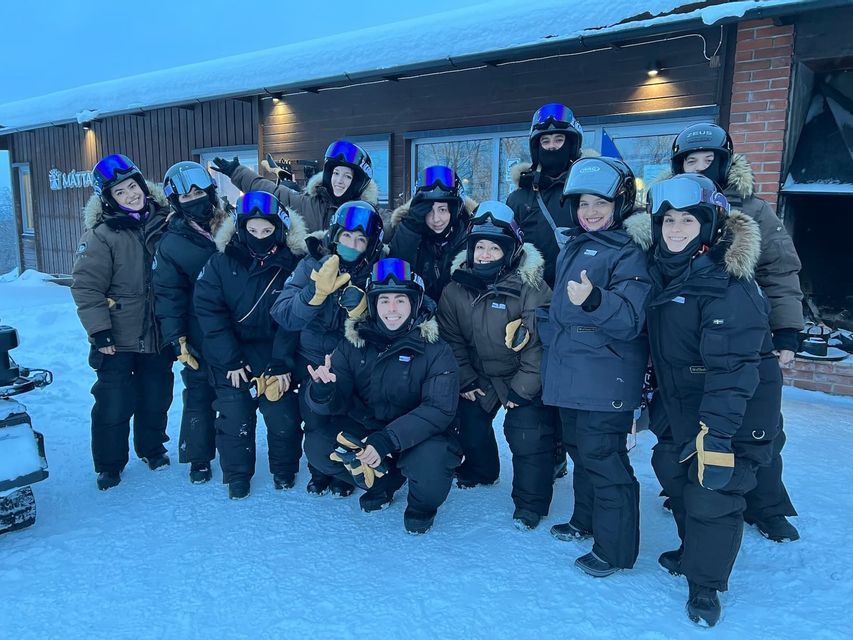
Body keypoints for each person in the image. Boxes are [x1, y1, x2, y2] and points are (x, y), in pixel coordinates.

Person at [645, 173, 783, 627]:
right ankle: (693, 551)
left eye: (688, 220)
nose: (676, 229)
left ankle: (705, 585)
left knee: (714, 491)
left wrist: (719, 436)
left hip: (736, 409)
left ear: (708, 226)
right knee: (671, 468)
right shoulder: (666, 270)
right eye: (668, 220)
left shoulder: (727, 282)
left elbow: (732, 370)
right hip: (684, 403)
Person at [667, 122, 803, 542]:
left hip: (747, 334)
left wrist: (787, 330)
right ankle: (696, 487)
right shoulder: (669, 208)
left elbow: (779, 271)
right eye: (691, 161)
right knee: (693, 418)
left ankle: (767, 505)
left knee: (760, 427)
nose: (700, 167)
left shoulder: (753, 210)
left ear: (725, 162)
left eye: (709, 160)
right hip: (689, 335)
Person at [538, 157, 651, 577]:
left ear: (620, 204)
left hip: (606, 377)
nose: (591, 212)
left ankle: (614, 550)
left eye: (600, 203)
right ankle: (584, 520)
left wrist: (595, 300)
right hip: (572, 373)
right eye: (584, 203)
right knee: (580, 452)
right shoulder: (578, 243)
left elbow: (631, 319)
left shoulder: (628, 251)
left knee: (605, 460)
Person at [303, 258, 461, 534]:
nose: (392, 309)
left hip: (416, 436)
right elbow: (337, 401)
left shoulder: (436, 350)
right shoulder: (354, 342)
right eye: (384, 300)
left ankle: (421, 505)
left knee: (432, 462)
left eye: (400, 300)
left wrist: (387, 440)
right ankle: (382, 483)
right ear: (373, 305)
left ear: (415, 304)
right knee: (318, 445)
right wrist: (323, 390)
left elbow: (438, 409)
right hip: (369, 428)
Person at [437, 201, 554, 530]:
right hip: (480, 373)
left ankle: (531, 503)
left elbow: (538, 345)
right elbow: (451, 339)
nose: (485, 255)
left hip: (521, 373)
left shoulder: (532, 287)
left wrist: (523, 389)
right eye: (480, 247)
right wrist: (465, 379)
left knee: (527, 433)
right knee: (468, 420)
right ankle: (482, 469)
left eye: (494, 248)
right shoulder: (455, 289)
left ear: (511, 251)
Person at [193, 191, 307, 499]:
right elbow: (209, 312)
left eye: (266, 230)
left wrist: (281, 363)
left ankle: (284, 469)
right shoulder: (220, 263)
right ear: (241, 230)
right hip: (232, 353)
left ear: (279, 229)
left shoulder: (294, 264)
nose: (259, 237)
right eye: (252, 230)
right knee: (235, 413)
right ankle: (237, 474)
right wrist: (229, 359)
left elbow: (293, 318)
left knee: (282, 413)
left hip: (275, 352)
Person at [71, 154, 174, 491]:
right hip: (116, 337)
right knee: (113, 402)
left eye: (133, 186)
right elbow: (86, 286)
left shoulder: (166, 222)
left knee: (156, 396)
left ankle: (152, 449)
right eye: (120, 192)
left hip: (157, 333)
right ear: (109, 199)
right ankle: (110, 464)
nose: (130, 195)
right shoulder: (102, 235)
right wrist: (99, 331)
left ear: (142, 185)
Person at [270, 201, 386, 497]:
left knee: (348, 419)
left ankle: (342, 472)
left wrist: (364, 313)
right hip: (311, 359)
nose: (352, 245)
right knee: (314, 417)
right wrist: (315, 293)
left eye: (360, 240)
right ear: (335, 235)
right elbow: (283, 313)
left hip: (354, 362)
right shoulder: (311, 264)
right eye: (346, 236)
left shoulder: (379, 270)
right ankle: (319, 470)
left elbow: (394, 322)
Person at [153, 161, 229, 484]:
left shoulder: (233, 223)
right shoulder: (171, 243)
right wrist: (177, 337)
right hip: (198, 329)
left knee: (234, 393)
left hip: (235, 325)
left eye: (199, 192)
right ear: (176, 203)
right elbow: (168, 294)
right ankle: (198, 456)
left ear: (210, 192)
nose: (194, 200)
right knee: (199, 391)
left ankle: (237, 452)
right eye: (186, 197)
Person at [211, 140, 379, 233]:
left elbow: (391, 228)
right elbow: (271, 191)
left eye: (347, 176)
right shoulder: (306, 203)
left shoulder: (369, 214)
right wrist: (237, 172)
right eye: (336, 173)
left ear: (356, 182)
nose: (339, 180)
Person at [506, 103, 585, 287]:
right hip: (533, 292)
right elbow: (507, 246)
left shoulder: (587, 191)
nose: (552, 147)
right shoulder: (519, 198)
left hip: (581, 287)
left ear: (571, 144)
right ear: (537, 147)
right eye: (545, 141)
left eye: (559, 140)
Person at [388, 165, 475, 303]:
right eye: (429, 210)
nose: (436, 219)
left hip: (457, 314)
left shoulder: (472, 239)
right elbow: (397, 270)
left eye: (442, 210)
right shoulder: (409, 234)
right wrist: (411, 228)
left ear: (454, 211)